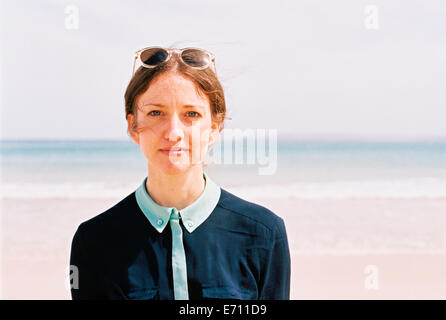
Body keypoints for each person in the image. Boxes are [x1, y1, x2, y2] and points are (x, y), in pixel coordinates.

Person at [69, 46, 291, 300]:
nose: (173, 132)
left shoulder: (264, 233)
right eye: (156, 113)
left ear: (214, 129)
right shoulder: (94, 241)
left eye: (191, 114)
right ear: (133, 126)